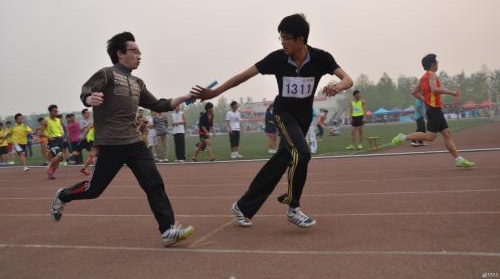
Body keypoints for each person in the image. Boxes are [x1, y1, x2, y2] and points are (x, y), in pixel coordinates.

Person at [191, 14, 353, 228]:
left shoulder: (321, 58)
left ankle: (243, 206)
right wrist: (216, 92)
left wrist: (337, 86)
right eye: (281, 37)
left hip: (303, 119)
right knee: (302, 154)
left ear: (301, 39)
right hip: (283, 114)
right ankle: (293, 207)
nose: (282, 42)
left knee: (280, 163)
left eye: (286, 38)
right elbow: (244, 75)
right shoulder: (277, 58)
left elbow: (348, 80)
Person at [49, 32, 194, 247]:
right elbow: (86, 91)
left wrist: (184, 97)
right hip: (110, 144)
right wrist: (90, 98)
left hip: (134, 143)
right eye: (134, 51)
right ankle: (63, 195)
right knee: (93, 190)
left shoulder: (138, 83)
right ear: (120, 54)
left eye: (139, 52)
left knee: (154, 183)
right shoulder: (107, 74)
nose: (139, 55)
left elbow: (157, 105)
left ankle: (167, 230)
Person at [391, 53, 474, 168]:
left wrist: (425, 100)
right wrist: (451, 92)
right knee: (430, 137)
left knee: (447, 134)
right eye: (436, 62)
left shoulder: (423, 78)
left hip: (435, 109)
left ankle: (458, 159)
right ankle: (403, 137)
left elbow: (414, 92)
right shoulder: (432, 75)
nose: (438, 64)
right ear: (432, 64)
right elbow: (434, 89)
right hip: (434, 110)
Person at [40, 105, 65, 179]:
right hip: (52, 140)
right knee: (59, 155)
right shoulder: (46, 121)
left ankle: (51, 174)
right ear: (50, 112)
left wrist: (62, 135)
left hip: (59, 140)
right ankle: (49, 167)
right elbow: (40, 133)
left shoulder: (58, 120)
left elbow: (60, 130)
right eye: (54, 111)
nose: (56, 113)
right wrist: (48, 137)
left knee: (59, 159)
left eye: (57, 111)